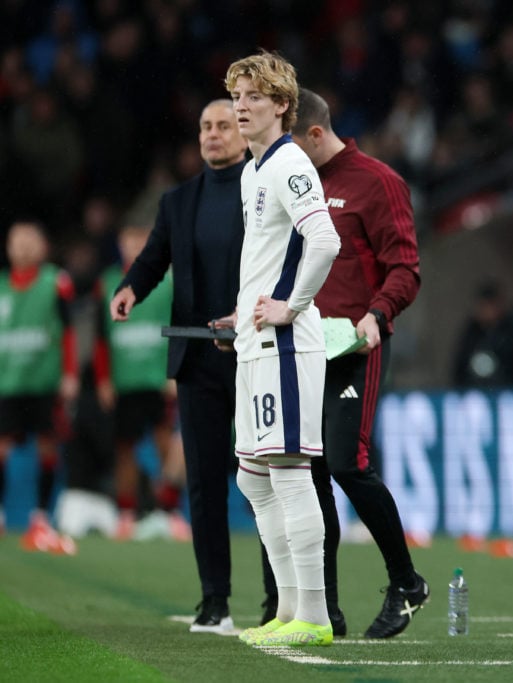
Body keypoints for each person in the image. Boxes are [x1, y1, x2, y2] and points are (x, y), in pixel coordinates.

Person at [282, 86, 428, 639]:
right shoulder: (297, 186)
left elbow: (406, 268)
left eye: (294, 144)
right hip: (302, 347)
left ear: (316, 134)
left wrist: (378, 313)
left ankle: (407, 582)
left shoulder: (377, 182)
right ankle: (325, 610)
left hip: (354, 346)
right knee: (311, 476)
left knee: (346, 464)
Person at [110, 99, 249, 633]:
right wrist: (130, 290)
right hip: (196, 357)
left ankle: (280, 602)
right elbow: (153, 258)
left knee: (265, 479)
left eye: (222, 126)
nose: (212, 135)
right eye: (205, 128)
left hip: (253, 353)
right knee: (204, 482)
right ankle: (215, 600)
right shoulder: (178, 201)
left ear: (243, 131)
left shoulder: (263, 189)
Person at [222, 51, 340, 648]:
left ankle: (314, 616)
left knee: (290, 474)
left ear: (282, 107)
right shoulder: (253, 170)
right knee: (253, 478)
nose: (240, 106)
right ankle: (289, 607)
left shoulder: (290, 162)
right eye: (236, 96)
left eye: (252, 97)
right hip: (255, 340)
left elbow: (324, 238)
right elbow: (272, 254)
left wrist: (289, 306)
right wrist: (245, 310)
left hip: (287, 344)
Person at [95, 224, 189, 542]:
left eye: (141, 240)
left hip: (159, 379)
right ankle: (126, 515)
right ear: (119, 243)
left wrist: (175, 372)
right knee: (125, 449)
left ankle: (170, 512)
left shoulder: (169, 279)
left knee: (168, 443)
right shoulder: (108, 282)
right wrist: (104, 380)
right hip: (125, 381)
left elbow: (182, 324)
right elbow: (100, 337)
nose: (134, 245)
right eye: (128, 239)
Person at [0, 220, 79, 554]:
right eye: (17, 240)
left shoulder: (55, 283)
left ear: (43, 246)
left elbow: (68, 332)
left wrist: (70, 373)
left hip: (44, 383)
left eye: (30, 240)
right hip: (8, 383)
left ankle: (42, 517)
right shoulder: (2, 287)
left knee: (47, 447)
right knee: (3, 448)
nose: (24, 247)